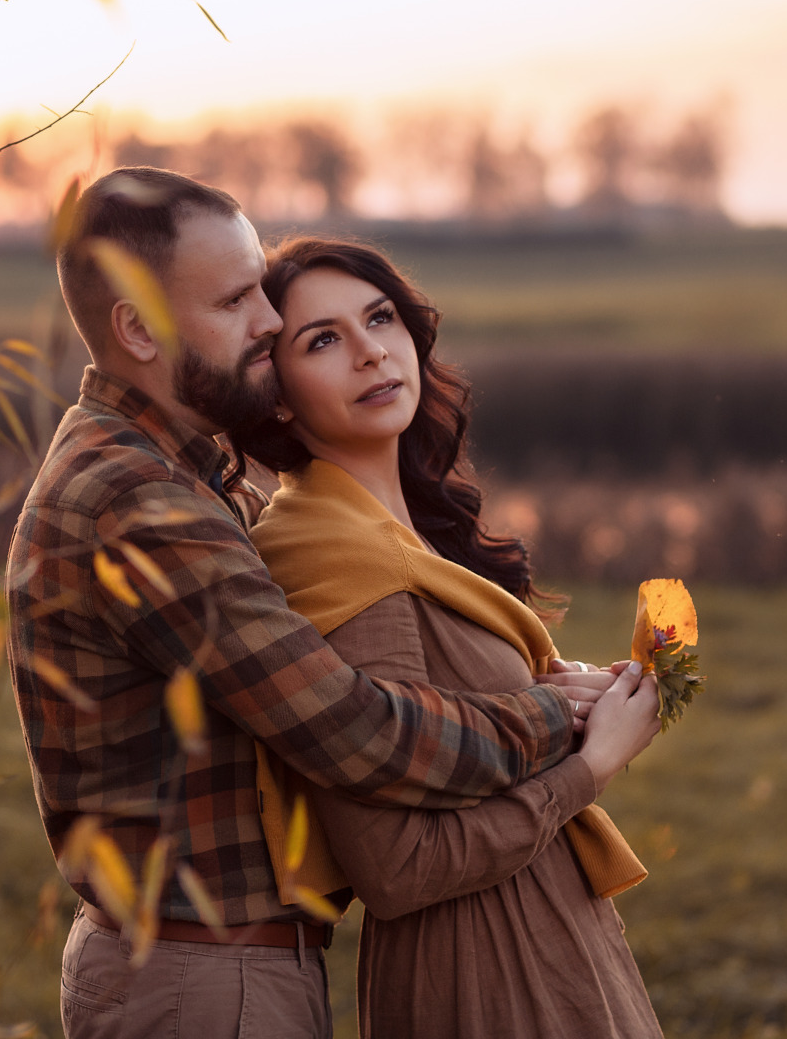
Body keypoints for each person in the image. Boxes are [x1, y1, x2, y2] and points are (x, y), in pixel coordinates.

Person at [4, 168, 622, 1039]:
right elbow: (357, 734)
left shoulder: (174, 476)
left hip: (200, 969)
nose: (267, 319)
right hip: (206, 982)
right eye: (233, 300)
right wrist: (558, 722)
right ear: (137, 329)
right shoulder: (139, 503)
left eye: (260, 285)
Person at [232, 236, 665, 1038]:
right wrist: (593, 763)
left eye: (380, 318)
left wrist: (562, 705)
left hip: (542, 935)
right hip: (484, 971)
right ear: (279, 394)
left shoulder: (395, 533)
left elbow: (454, 728)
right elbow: (398, 868)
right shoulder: (331, 553)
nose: (370, 352)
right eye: (323, 340)